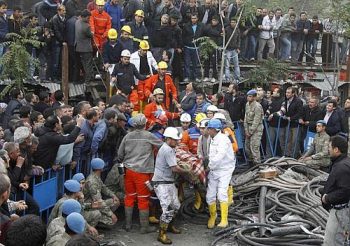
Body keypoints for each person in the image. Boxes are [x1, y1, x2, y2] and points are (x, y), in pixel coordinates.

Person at [117, 114, 163, 233]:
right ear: (145, 124)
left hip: (128, 171)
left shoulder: (127, 136)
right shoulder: (149, 135)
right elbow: (162, 146)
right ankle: (144, 227)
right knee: (143, 198)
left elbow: (120, 155)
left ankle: (128, 225)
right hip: (143, 172)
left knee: (129, 197)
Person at [152, 127, 188, 244]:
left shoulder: (170, 148)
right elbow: (174, 168)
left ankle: (170, 226)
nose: (177, 142)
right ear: (168, 139)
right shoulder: (167, 150)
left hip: (169, 181)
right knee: (167, 209)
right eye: (175, 140)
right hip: (161, 183)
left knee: (176, 206)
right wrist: (186, 172)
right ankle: (161, 234)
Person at [206, 119, 235, 229]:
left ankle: (224, 220)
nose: (207, 130)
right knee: (210, 195)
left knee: (222, 193)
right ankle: (213, 216)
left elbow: (219, 156)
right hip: (215, 170)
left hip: (224, 170)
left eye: (209, 128)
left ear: (214, 129)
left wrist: (209, 166)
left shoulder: (223, 140)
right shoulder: (213, 138)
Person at [321, 135, 350, 245]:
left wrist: (327, 198)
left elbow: (345, 191)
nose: (328, 149)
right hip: (341, 210)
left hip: (340, 211)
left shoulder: (342, 167)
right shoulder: (342, 163)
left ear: (336, 149)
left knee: (332, 242)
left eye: (329, 147)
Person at [84, 158, 120, 228]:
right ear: (101, 168)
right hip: (89, 206)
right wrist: (111, 214)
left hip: (94, 203)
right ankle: (93, 226)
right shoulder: (92, 182)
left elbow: (104, 188)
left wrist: (113, 195)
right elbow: (98, 202)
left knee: (115, 201)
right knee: (111, 220)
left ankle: (101, 218)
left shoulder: (96, 176)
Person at [244, 89, 263, 165]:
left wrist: (251, 131)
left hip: (256, 129)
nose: (248, 98)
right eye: (248, 96)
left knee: (254, 148)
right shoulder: (247, 105)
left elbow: (256, 120)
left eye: (250, 96)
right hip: (248, 127)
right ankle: (250, 163)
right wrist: (246, 130)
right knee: (247, 148)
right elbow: (246, 117)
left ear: (254, 97)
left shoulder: (257, 106)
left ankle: (257, 164)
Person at [75, 9, 94, 85]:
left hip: (79, 47)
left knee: (83, 64)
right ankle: (88, 81)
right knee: (88, 65)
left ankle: (85, 79)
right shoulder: (86, 26)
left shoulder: (77, 22)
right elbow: (91, 35)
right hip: (86, 49)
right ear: (84, 17)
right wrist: (92, 32)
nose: (89, 19)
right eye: (88, 18)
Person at [224, 18, 241, 83]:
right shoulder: (227, 29)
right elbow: (223, 38)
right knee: (227, 65)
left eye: (234, 22)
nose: (233, 23)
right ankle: (227, 78)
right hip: (227, 49)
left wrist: (238, 48)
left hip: (234, 49)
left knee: (236, 64)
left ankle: (237, 78)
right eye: (231, 22)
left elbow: (239, 39)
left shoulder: (237, 30)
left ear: (236, 23)